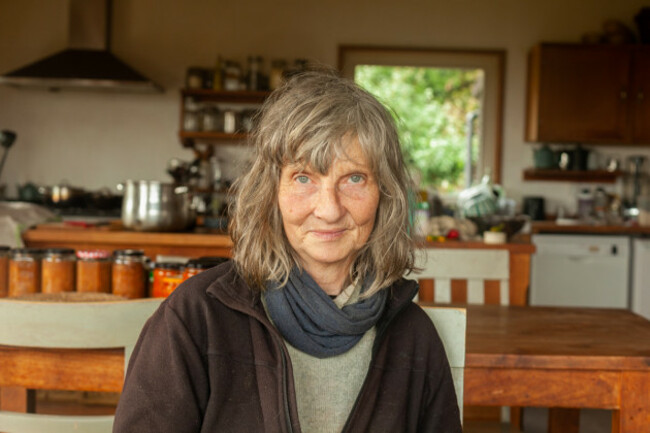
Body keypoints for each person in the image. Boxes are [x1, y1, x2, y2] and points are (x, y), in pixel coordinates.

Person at [113, 67, 462, 433]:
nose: (329, 209)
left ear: (385, 195)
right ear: (271, 192)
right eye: (303, 178)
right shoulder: (195, 318)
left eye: (354, 178)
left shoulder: (414, 336)